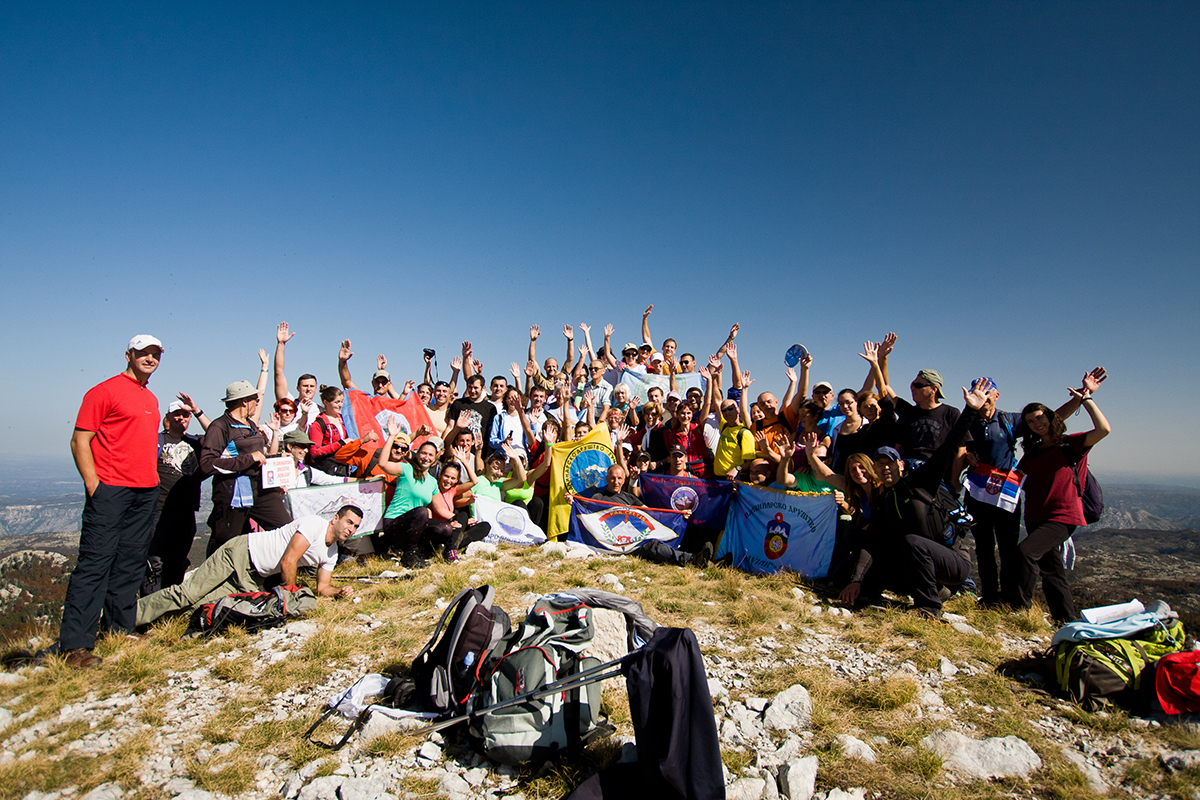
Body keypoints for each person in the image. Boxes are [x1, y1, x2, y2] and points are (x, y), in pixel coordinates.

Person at [837, 379, 992, 618]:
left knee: (911, 541)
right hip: (917, 559)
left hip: (952, 562)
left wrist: (970, 410)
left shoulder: (921, 482)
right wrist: (857, 581)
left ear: (901, 464)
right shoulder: (884, 500)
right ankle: (930, 591)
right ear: (874, 471)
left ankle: (929, 607)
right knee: (877, 544)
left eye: (890, 463)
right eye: (879, 465)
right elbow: (871, 542)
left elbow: (949, 446)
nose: (885, 468)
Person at [56, 335, 165, 668]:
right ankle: (75, 646)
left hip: (145, 490)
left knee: (130, 563)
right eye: (143, 353)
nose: (150, 358)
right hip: (111, 490)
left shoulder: (151, 397)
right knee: (94, 564)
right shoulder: (102, 391)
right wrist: (94, 485)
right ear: (129, 354)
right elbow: (80, 440)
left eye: (155, 354)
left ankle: (121, 629)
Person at [136, 506, 361, 627]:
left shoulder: (331, 552)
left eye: (356, 527)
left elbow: (323, 587)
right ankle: (126, 618)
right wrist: (290, 595)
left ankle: (153, 626)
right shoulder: (314, 525)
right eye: (349, 522)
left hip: (254, 577)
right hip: (241, 553)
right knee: (187, 593)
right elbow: (288, 561)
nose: (351, 529)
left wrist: (338, 592)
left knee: (203, 605)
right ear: (335, 518)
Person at [1013, 382, 1111, 623]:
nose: (1036, 424)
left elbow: (1104, 429)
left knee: (1025, 552)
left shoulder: (1072, 444)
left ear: (1050, 416)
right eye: (1030, 422)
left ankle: (1019, 609)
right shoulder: (1032, 453)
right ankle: (1065, 620)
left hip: (1062, 516)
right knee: (1052, 571)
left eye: (1039, 418)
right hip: (1035, 516)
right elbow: (1017, 480)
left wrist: (1086, 399)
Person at [201, 380, 293, 556]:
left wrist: (277, 460)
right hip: (232, 493)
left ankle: (276, 579)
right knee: (227, 544)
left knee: (286, 530)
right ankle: (215, 581)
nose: (258, 402)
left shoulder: (250, 424)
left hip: (262, 489)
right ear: (244, 401)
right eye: (255, 399)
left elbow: (258, 457)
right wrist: (248, 459)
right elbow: (207, 464)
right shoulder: (219, 426)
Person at [144, 394, 211, 593]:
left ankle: (169, 609)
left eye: (185, 415)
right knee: (154, 562)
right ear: (168, 417)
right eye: (177, 415)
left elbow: (220, 436)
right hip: (159, 509)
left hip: (187, 511)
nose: (182, 418)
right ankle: (150, 607)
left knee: (178, 561)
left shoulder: (196, 442)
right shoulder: (156, 440)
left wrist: (197, 411)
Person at [374, 430, 444, 568]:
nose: (426, 457)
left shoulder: (432, 481)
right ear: (417, 454)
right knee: (422, 512)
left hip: (414, 527)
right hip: (394, 523)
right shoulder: (406, 469)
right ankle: (408, 554)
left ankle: (419, 550)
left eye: (430, 455)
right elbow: (382, 463)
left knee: (445, 528)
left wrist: (456, 520)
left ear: (435, 458)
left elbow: (440, 509)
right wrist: (391, 436)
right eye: (423, 453)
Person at [271, 322, 320, 430]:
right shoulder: (288, 404)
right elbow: (278, 373)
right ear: (297, 388)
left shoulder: (321, 411)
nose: (308, 389)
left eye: (312, 386)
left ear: (316, 389)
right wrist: (281, 344)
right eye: (305, 386)